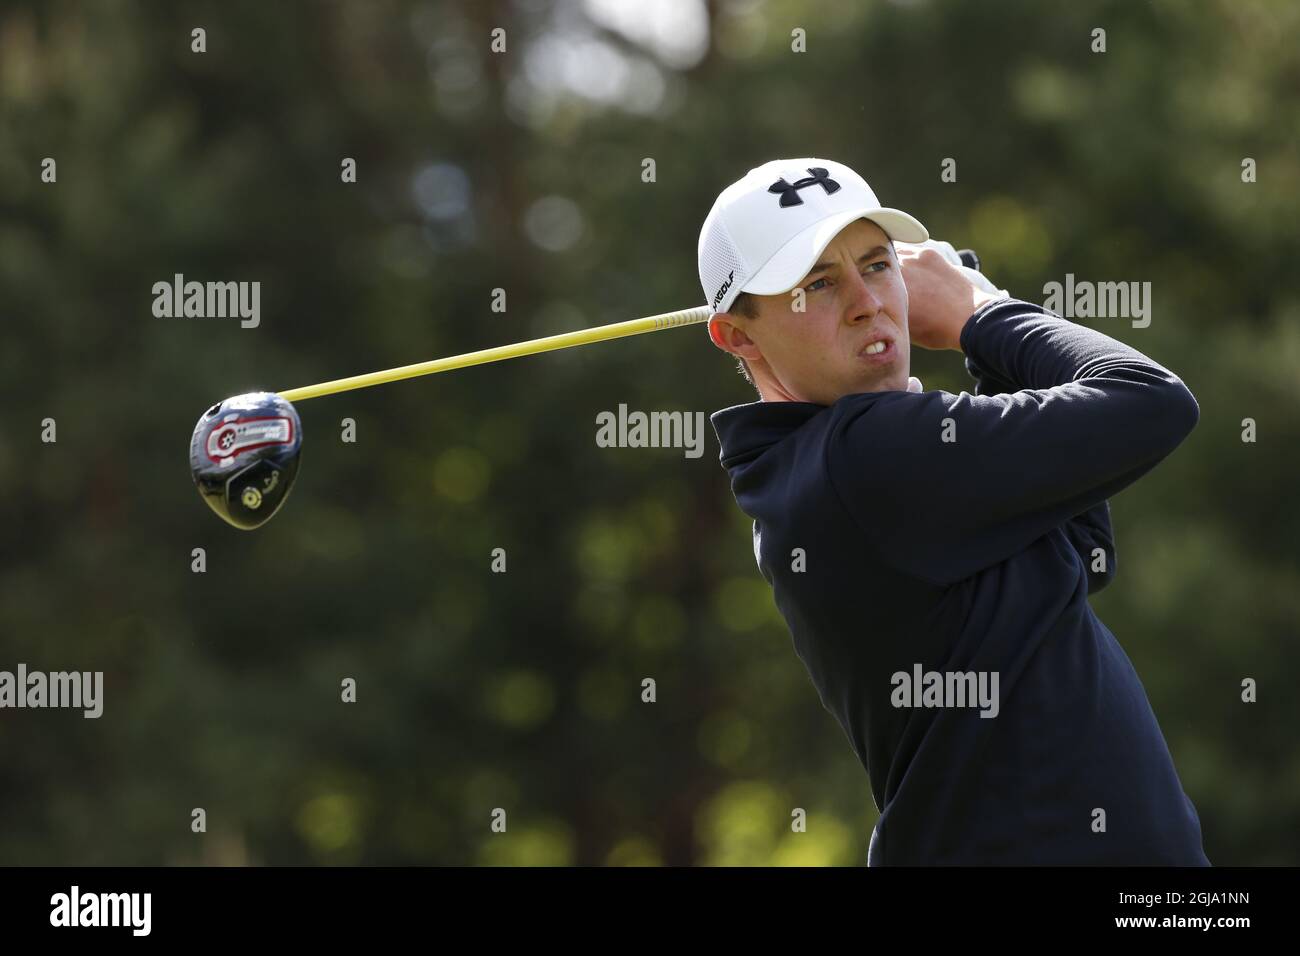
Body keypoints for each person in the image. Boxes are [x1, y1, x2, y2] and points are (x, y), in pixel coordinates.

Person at [698, 157, 1209, 865]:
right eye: (818, 283)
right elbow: (1152, 401)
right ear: (739, 335)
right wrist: (983, 312)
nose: (866, 302)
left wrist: (988, 332)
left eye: (877, 266)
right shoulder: (863, 456)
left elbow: (1082, 552)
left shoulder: (830, 464)